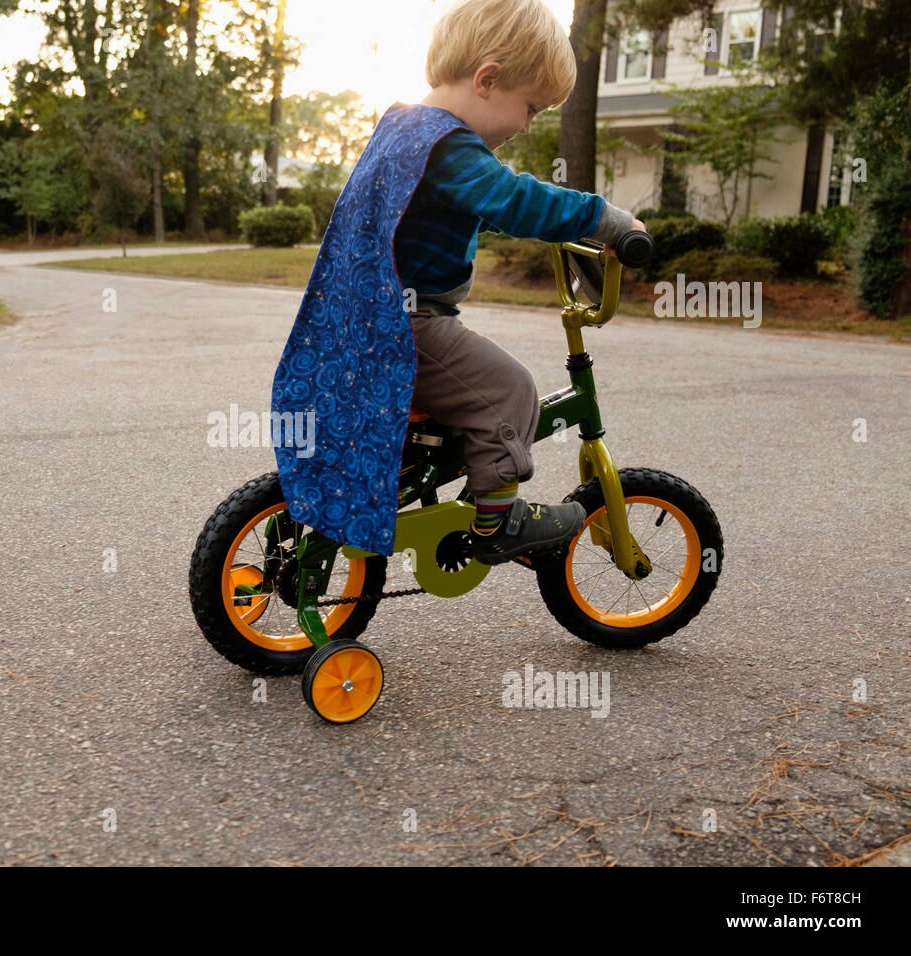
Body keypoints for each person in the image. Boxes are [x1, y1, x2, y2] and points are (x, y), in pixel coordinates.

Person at [271, 0, 646, 564]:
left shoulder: (405, 127)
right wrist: (608, 223)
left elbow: (480, 206)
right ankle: (498, 522)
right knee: (508, 390)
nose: (526, 125)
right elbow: (513, 198)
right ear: (488, 79)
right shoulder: (447, 143)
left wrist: (548, 232)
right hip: (408, 325)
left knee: (477, 393)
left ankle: (470, 494)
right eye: (531, 108)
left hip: (367, 320)